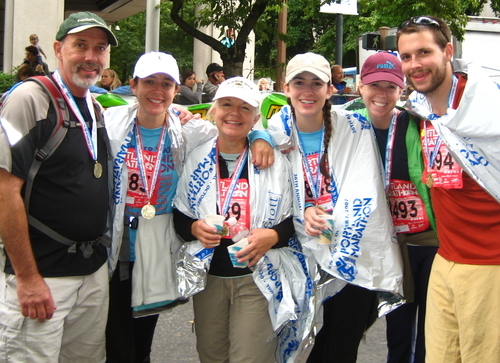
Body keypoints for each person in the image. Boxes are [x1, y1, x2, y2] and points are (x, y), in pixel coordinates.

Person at [104, 60, 276, 363]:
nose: (157, 91)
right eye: (149, 82)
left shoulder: (192, 131)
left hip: (155, 251)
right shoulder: (110, 122)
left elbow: (235, 126)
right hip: (116, 250)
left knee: (142, 341)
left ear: (176, 90)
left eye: (166, 84)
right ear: (133, 86)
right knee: (115, 341)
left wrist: (262, 136)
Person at [267, 52, 403, 363]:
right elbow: (267, 197)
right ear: (285, 88)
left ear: (331, 89)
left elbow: (365, 188)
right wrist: (302, 213)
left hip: (350, 255)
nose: (307, 91)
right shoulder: (272, 135)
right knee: (301, 346)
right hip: (297, 256)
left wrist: (331, 216)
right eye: (299, 82)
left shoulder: (354, 127)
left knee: (341, 347)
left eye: (317, 83)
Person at [0, 11, 118, 362]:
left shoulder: (94, 106)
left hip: (91, 274)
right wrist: (27, 277)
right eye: (80, 45)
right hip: (43, 276)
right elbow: (5, 191)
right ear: (58, 50)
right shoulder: (29, 100)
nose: (90, 56)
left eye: (99, 48)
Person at [173, 77, 311, 363]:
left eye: (244, 108)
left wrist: (273, 236)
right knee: (211, 355)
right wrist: (193, 228)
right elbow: (179, 215)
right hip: (210, 280)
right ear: (213, 110)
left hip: (256, 279)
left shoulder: (272, 161)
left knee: (250, 357)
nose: (234, 113)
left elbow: (293, 218)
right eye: (226, 104)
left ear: (256, 118)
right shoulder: (197, 157)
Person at [396, 16, 500, 363]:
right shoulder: (420, 110)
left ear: (448, 52)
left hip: (490, 266)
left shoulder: (487, 105)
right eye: (407, 56)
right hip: (446, 258)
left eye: (424, 52)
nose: (415, 64)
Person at [357, 52, 438, 363]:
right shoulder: (349, 127)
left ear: (401, 90)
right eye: (374, 85)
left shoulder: (418, 123)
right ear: (360, 86)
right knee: (398, 327)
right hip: (386, 244)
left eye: (390, 87)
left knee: (433, 328)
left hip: (428, 240)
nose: (382, 94)